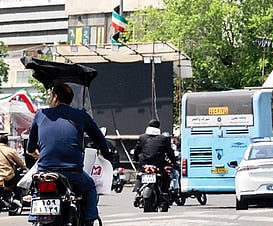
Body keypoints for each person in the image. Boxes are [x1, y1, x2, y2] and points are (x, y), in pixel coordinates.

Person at [25, 83, 114, 226]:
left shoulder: (40, 115)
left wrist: (35, 152)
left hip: (44, 173)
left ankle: (35, 217)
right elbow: (100, 140)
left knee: (37, 190)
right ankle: (89, 219)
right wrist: (106, 154)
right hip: (73, 174)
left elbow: (30, 147)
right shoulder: (81, 115)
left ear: (54, 97)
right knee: (90, 187)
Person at [133, 117, 176, 196]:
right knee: (166, 178)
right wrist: (174, 163)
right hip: (158, 164)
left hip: (143, 163)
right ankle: (164, 193)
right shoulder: (163, 139)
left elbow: (137, 150)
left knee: (139, 174)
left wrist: (135, 158)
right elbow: (170, 152)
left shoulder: (142, 137)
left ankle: (138, 190)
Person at [0, 132, 27, 197]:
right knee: (18, 181)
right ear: (6, 141)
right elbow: (21, 163)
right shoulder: (10, 151)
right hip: (8, 176)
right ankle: (17, 198)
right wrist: (23, 167)